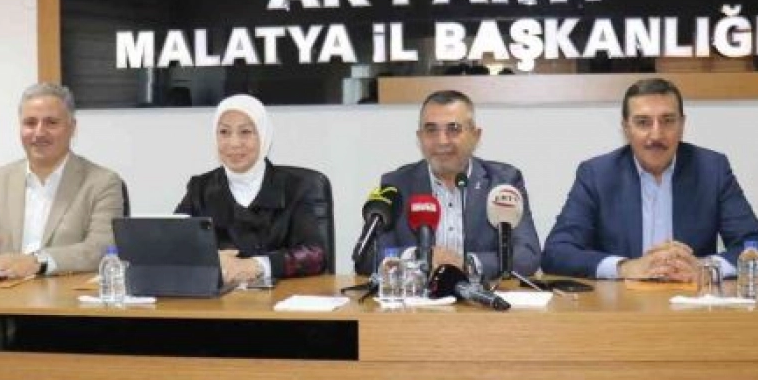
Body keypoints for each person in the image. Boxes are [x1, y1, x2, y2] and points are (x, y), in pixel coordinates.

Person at [542, 78, 758, 280]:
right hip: (622, 306)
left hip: (692, 304)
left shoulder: (711, 169)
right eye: (643, 122)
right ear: (626, 128)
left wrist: (705, 267)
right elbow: (557, 252)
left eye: (668, 120)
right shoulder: (597, 174)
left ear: (682, 125)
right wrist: (625, 267)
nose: (656, 134)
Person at [356, 89, 541, 279]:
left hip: (481, 296)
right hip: (419, 296)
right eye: (431, 130)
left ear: (476, 136)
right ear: (420, 137)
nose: (442, 141)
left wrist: (466, 263)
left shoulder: (502, 181)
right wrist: (418, 257)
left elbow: (527, 255)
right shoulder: (396, 185)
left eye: (453, 129)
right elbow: (366, 257)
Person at [0, 83, 124, 276]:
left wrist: (38, 262)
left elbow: (100, 248)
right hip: (2, 291)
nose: (39, 133)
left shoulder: (102, 182)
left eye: (51, 123)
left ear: (72, 128)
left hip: (64, 292)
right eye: (30, 123)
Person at [176, 94, 327, 284]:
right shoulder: (200, 189)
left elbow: (316, 255)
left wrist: (260, 265)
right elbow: (173, 244)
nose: (234, 143)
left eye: (245, 132)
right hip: (220, 299)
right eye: (224, 132)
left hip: (281, 299)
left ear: (263, 136)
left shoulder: (295, 187)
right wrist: (207, 259)